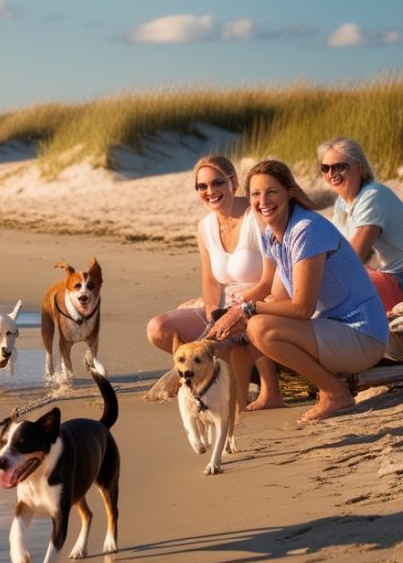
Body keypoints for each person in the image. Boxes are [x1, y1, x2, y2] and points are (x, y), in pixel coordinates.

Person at [210, 160, 388, 423]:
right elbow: (272, 293)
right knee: (250, 328)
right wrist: (231, 316)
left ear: (289, 192)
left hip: (363, 334)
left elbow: (301, 309)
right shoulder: (271, 234)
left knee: (260, 328)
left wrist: (248, 310)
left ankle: (334, 393)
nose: (263, 200)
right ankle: (244, 406)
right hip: (332, 329)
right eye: (255, 194)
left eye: (271, 191)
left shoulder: (306, 229)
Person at [146, 154, 283, 410]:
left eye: (218, 183)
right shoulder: (205, 226)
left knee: (249, 325)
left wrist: (238, 310)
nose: (211, 191)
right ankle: (216, 372)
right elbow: (210, 283)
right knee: (158, 328)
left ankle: (270, 390)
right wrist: (213, 318)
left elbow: (273, 278)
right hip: (224, 305)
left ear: (233, 182)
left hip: (261, 302)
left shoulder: (257, 217)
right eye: (202, 186)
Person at [318, 136, 403, 313]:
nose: (331, 174)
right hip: (378, 274)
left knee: (327, 292)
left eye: (339, 166)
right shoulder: (342, 203)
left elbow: (353, 258)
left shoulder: (373, 196)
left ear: (358, 168)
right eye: (325, 168)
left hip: (398, 279)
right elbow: (335, 249)